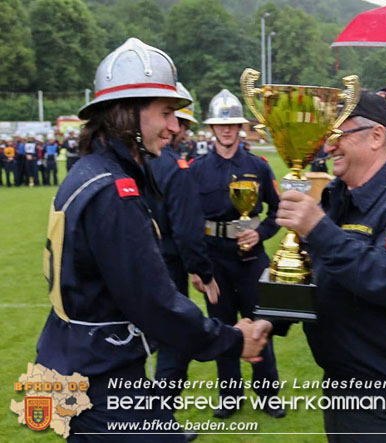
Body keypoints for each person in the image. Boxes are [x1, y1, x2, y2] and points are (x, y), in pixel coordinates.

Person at [35, 37, 269, 442]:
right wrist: (233, 340)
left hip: (78, 361)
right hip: (98, 379)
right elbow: (155, 303)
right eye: (166, 113)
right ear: (127, 113)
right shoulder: (114, 190)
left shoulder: (90, 172)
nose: (176, 128)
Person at [263, 90, 386, 441]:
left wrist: (319, 229)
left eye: (338, 135)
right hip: (341, 384)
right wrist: (269, 319)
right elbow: (312, 273)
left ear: (376, 136)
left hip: (385, 395)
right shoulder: (338, 196)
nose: (327, 147)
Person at [189, 88, 285, 420]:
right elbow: (187, 223)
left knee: (262, 326)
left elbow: (278, 211)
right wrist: (196, 268)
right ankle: (229, 397)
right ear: (212, 128)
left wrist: (259, 233)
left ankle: (268, 395)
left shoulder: (257, 166)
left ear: (241, 127)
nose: (227, 130)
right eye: (220, 125)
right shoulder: (196, 169)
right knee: (221, 328)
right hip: (214, 262)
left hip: (251, 260)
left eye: (232, 125)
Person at [143, 82, 221, 430]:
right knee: (175, 345)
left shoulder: (130, 163)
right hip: (168, 268)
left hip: (130, 268)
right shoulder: (175, 168)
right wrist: (202, 272)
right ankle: (160, 421)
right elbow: (188, 231)